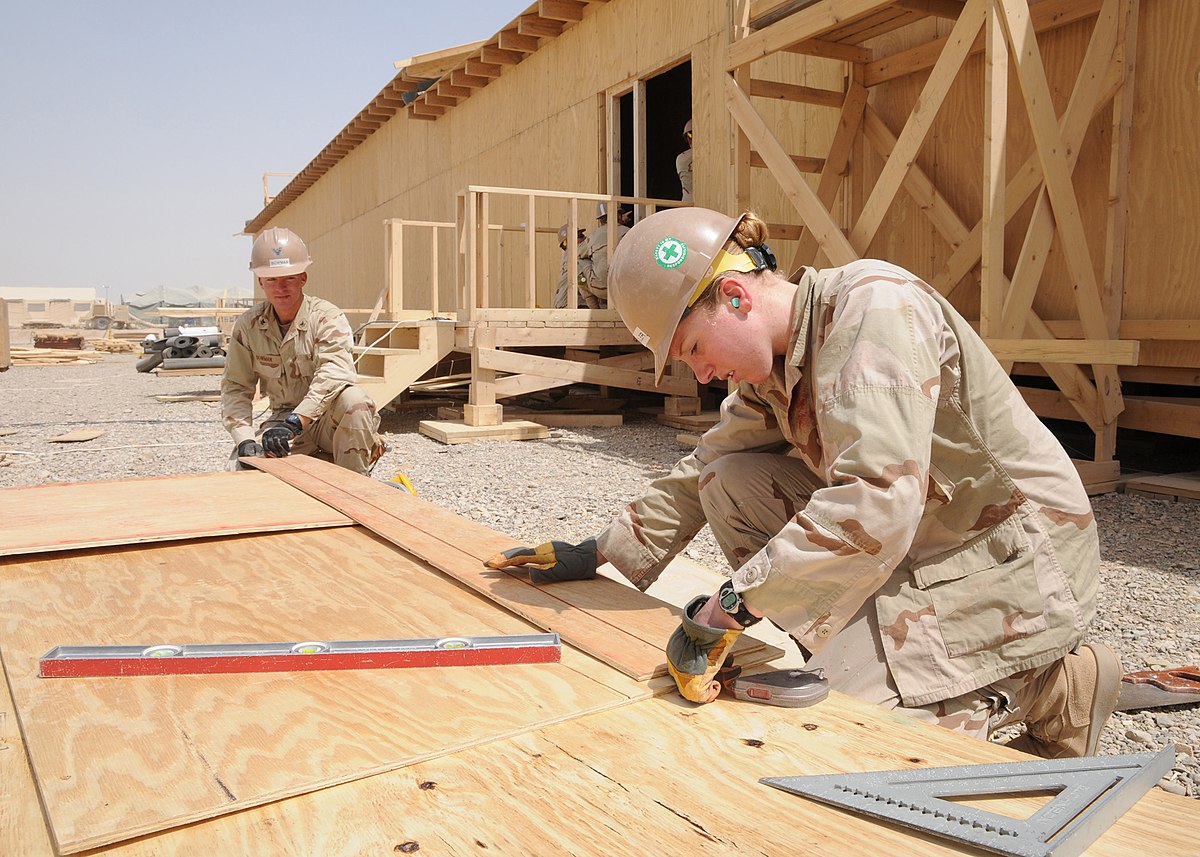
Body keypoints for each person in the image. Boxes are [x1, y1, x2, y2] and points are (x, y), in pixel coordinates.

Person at [486, 207, 1121, 759]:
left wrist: (730, 605)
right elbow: (704, 466)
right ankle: (888, 651)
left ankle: (1052, 684)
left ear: (734, 297)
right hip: (925, 540)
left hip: (1014, 558)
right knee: (728, 480)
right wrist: (601, 550)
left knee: (867, 743)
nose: (702, 375)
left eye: (694, 348)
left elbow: (876, 497)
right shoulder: (777, 365)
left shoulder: (875, 312)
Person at [222, 227, 385, 476]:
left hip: (329, 421)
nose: (281, 287)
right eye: (272, 279)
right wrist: (244, 440)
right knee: (242, 468)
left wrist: (297, 421)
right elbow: (236, 387)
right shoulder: (249, 326)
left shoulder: (327, 317)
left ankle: (355, 487)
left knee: (356, 401)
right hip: (282, 421)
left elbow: (335, 374)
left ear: (303, 278)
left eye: (289, 277)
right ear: (261, 282)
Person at [580, 202, 631, 309]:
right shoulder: (627, 232)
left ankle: (595, 310)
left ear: (600, 219)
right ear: (617, 215)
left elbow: (579, 253)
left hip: (599, 288)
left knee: (580, 263)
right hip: (622, 288)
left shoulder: (592, 236)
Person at [552, 223, 593, 309]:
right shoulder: (574, 252)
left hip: (567, 306)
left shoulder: (574, 252)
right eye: (580, 235)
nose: (584, 237)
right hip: (568, 307)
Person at [676, 119, 693, 202]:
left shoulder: (681, 158)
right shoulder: (682, 158)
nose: (689, 139)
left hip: (686, 205)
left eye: (691, 135)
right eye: (688, 136)